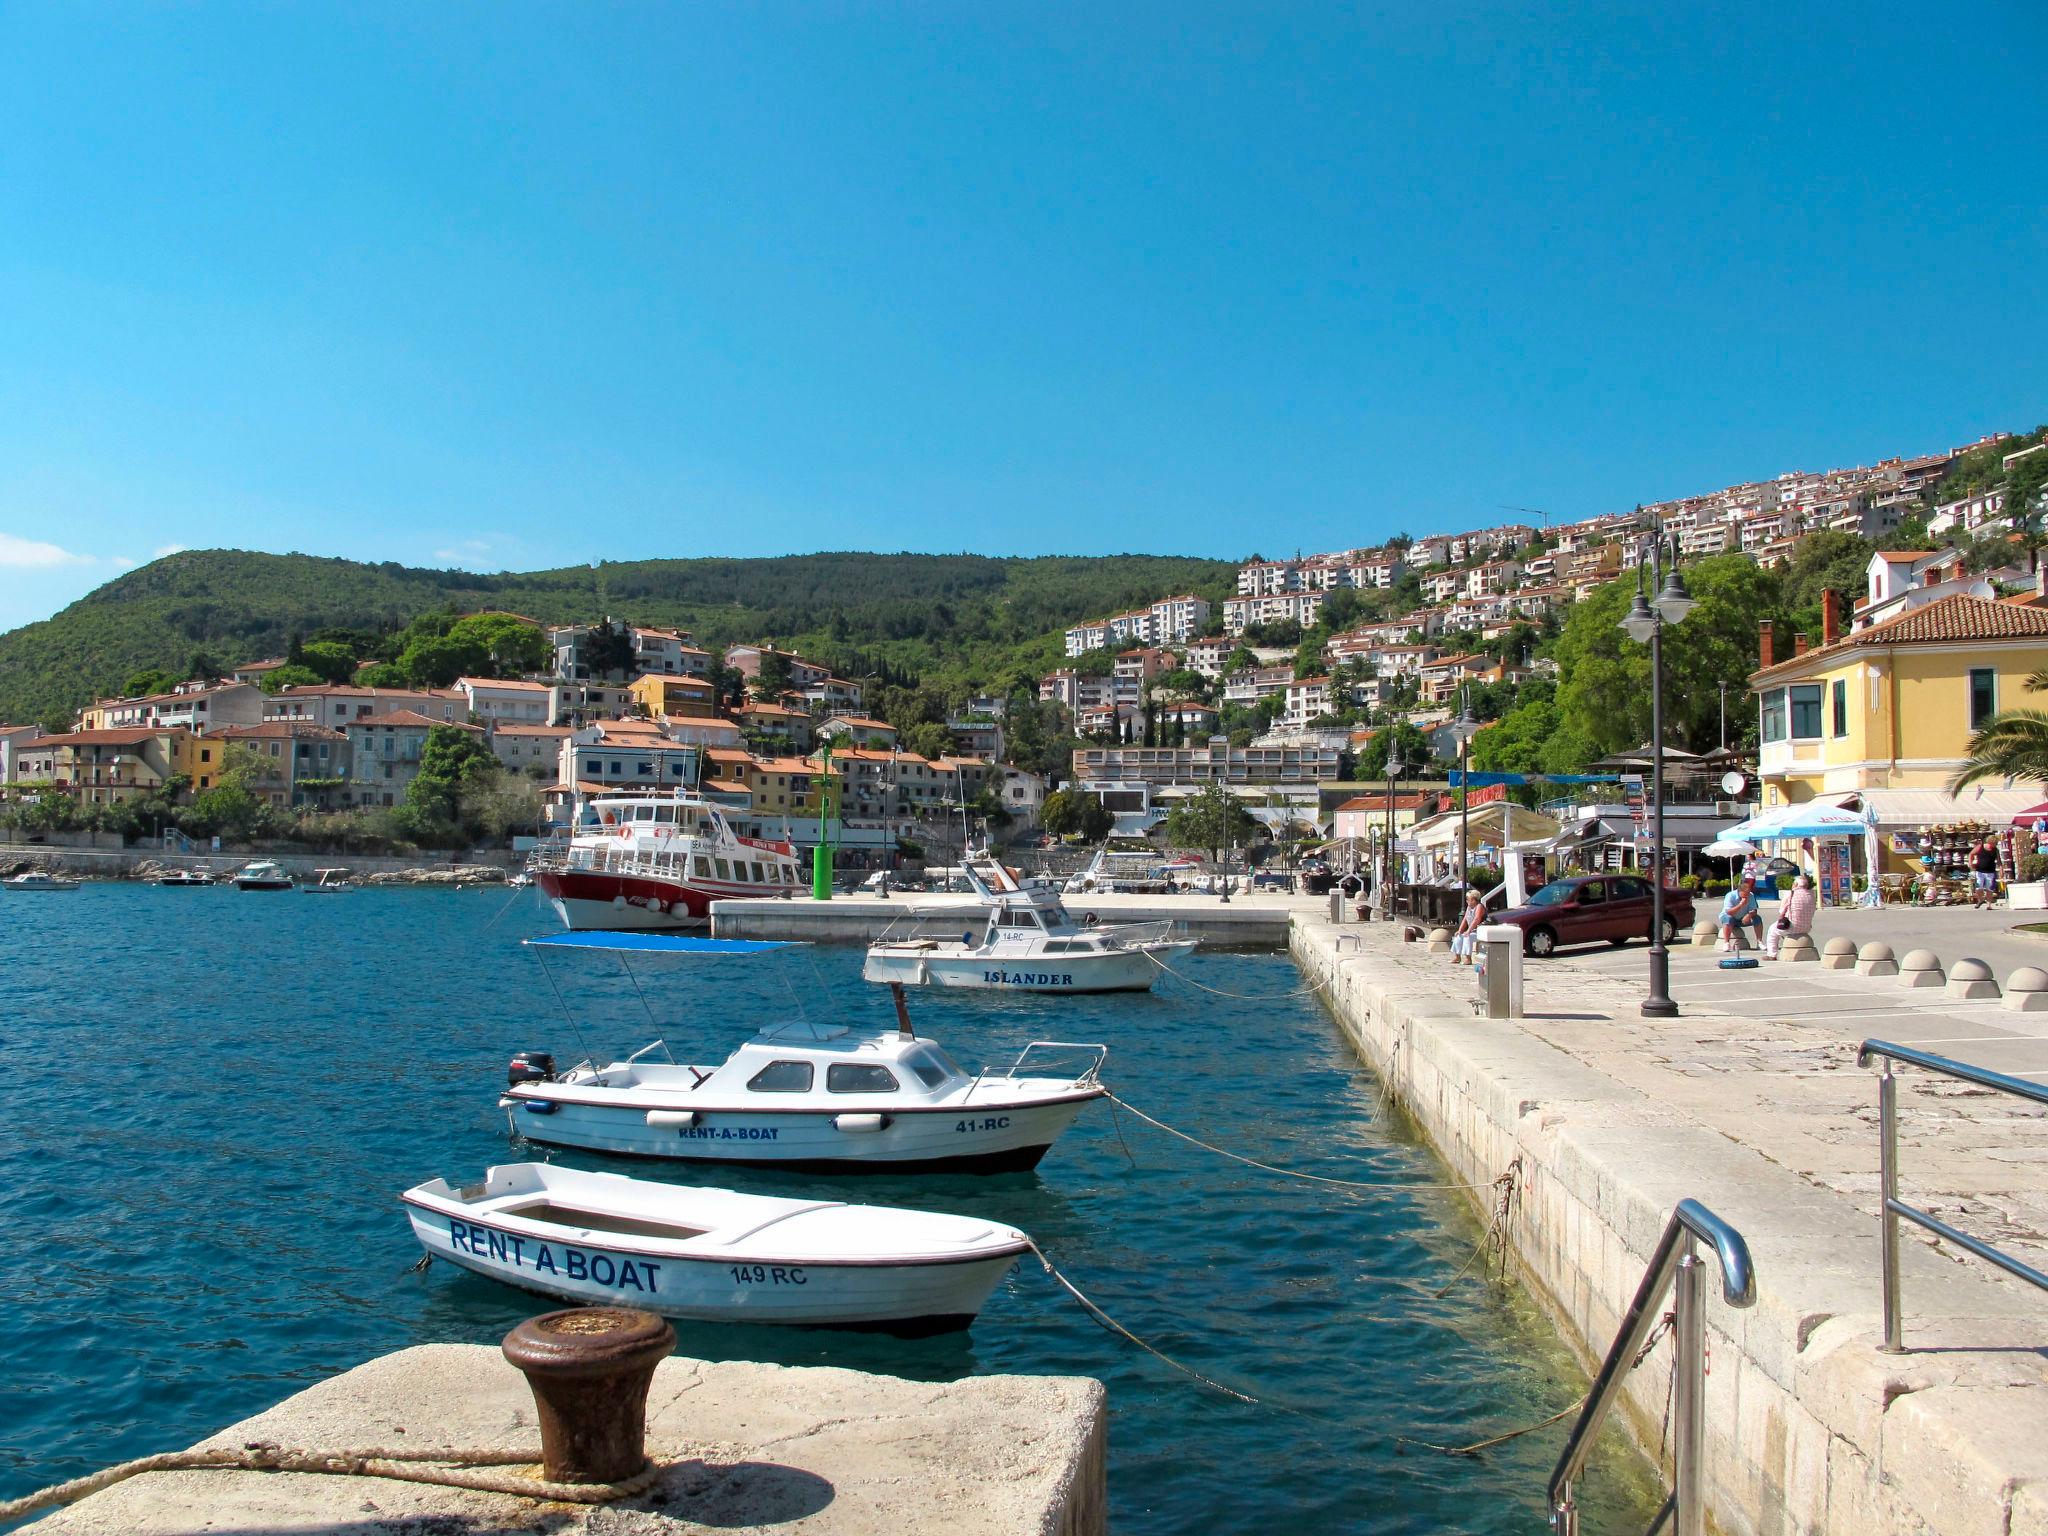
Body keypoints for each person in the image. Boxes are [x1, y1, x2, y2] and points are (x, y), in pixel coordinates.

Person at [1767, 874, 1817, 959]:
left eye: (1794, 883)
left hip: (1791, 927)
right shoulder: (1811, 894)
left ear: (1796, 884)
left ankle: (1772, 954)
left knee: (1772, 930)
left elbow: (1781, 911)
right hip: (1807, 927)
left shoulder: (1790, 894)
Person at [1718, 877, 1763, 953]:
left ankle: (1759, 942)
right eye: (1745, 894)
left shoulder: (1751, 895)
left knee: (1757, 918)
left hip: (1743, 918)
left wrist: (1749, 915)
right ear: (1739, 891)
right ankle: (1726, 943)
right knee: (1728, 918)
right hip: (1730, 917)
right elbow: (1729, 912)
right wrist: (1741, 904)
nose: (1747, 895)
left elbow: (1754, 910)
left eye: (1748, 893)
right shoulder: (1730, 896)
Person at [1450, 887, 1486, 965]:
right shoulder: (1469, 907)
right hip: (1472, 931)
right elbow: (1465, 919)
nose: (1467, 901)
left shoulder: (1479, 906)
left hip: (1479, 931)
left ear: (1473, 900)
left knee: (1467, 937)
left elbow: (1476, 919)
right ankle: (1457, 957)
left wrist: (1468, 931)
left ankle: (1468, 958)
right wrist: (1460, 930)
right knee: (1458, 936)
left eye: (1468, 899)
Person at [1972, 838, 2000, 907]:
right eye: (1995, 843)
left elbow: (1999, 861)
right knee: (1978, 888)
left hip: (1990, 872)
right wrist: (1971, 863)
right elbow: (1971, 854)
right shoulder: (1980, 847)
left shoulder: (1995, 850)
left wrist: (2001, 869)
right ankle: (1981, 900)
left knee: (1989, 889)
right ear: (1990, 842)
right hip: (1980, 871)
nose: (1995, 845)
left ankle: (1989, 904)